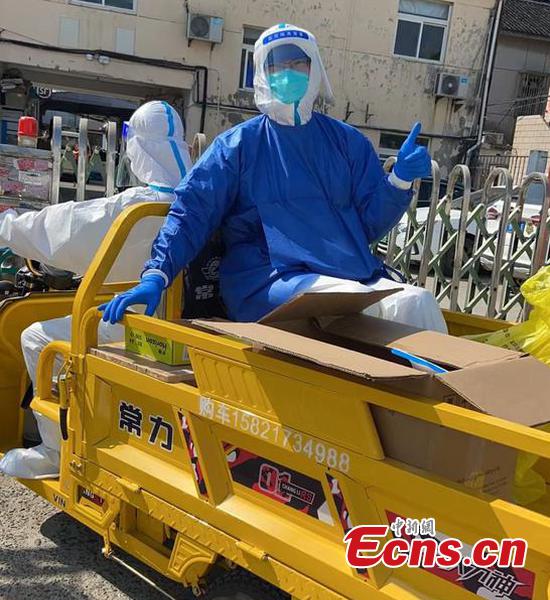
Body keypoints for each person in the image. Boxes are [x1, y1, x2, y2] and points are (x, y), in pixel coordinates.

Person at [100, 23, 447, 333]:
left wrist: (398, 181)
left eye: (298, 63)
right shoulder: (238, 146)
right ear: (262, 73)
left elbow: (367, 225)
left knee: (415, 302)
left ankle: (449, 398)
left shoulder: (346, 142)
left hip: (346, 274)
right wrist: (156, 274)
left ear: (314, 70)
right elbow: (192, 210)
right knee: (349, 300)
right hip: (267, 278)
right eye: (278, 65)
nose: (289, 73)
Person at [0, 100, 192, 479]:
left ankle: (55, 450)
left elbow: (61, 230)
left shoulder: (137, 207)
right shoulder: (199, 202)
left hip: (144, 333)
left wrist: (8, 224)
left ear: (137, 147)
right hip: (190, 330)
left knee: (37, 336)